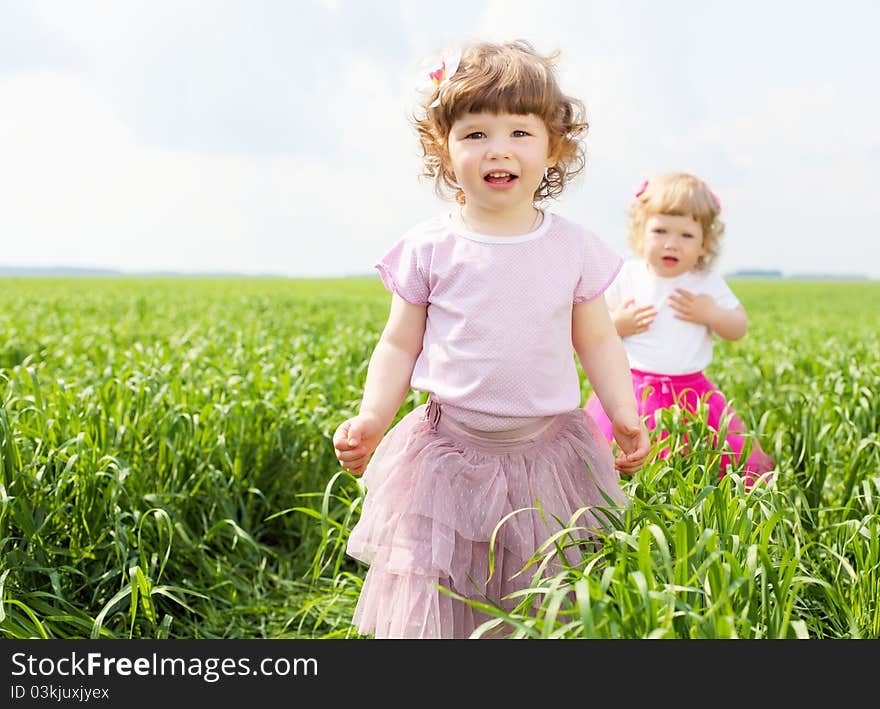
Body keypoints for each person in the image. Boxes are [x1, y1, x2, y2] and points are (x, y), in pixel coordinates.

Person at [332, 40, 650, 640]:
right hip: (446, 453)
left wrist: (624, 413)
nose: (497, 149)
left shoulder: (572, 247)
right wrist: (372, 417)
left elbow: (599, 341)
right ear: (443, 149)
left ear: (553, 146)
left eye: (519, 133)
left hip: (547, 456)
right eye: (475, 134)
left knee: (538, 589)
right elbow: (398, 345)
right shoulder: (430, 247)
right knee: (440, 584)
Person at [584, 171, 775, 487]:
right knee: (615, 463)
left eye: (686, 235)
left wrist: (711, 313)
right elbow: (594, 326)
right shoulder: (627, 275)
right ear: (640, 233)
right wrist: (619, 324)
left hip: (692, 393)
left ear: (704, 244)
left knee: (707, 462)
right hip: (630, 389)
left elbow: (738, 326)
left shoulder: (705, 282)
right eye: (660, 231)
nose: (671, 243)